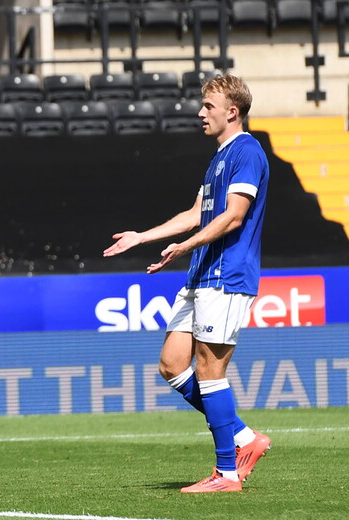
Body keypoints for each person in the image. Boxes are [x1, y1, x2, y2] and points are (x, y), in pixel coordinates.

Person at [103, 73, 271, 493]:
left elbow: (233, 216)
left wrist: (184, 247)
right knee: (172, 365)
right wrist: (143, 236)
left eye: (208, 107)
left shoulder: (247, 151)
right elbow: (197, 213)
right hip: (202, 274)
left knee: (210, 371)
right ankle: (244, 438)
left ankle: (226, 473)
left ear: (232, 112)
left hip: (228, 274)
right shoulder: (218, 158)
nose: (200, 113)